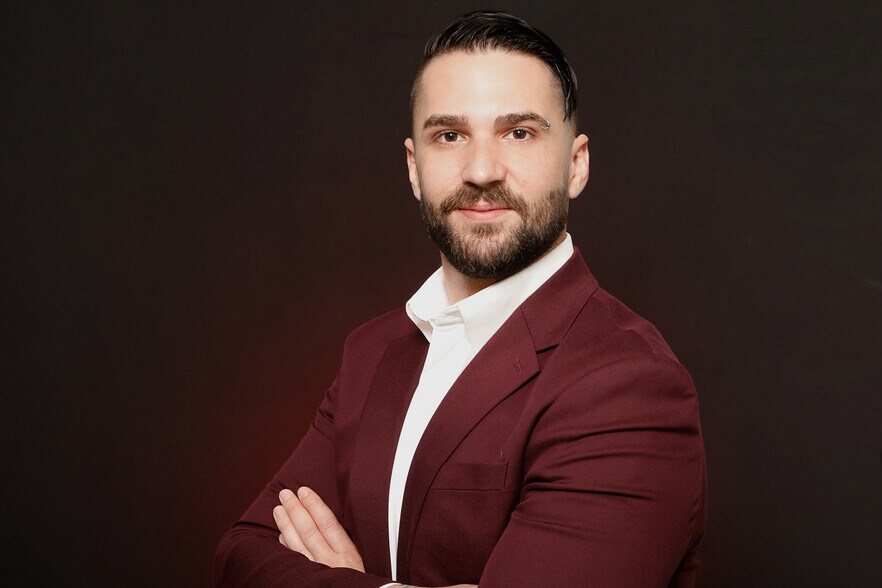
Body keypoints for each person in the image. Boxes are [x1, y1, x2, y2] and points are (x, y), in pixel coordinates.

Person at [214, 11, 706, 588]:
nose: (480, 170)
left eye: (518, 132)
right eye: (449, 135)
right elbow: (241, 556)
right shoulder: (371, 351)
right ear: (413, 168)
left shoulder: (629, 383)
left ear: (576, 165)